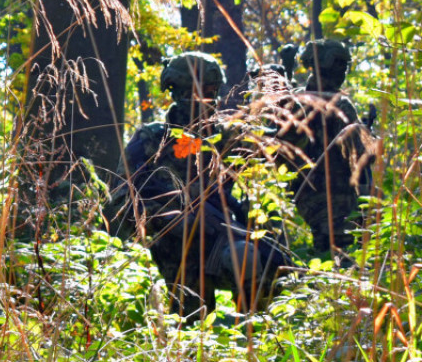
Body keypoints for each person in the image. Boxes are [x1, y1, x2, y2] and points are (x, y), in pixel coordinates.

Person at [109, 52, 290, 321]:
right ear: (180, 89)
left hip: (217, 235)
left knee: (265, 263)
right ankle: (187, 352)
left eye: (213, 91)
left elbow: (277, 151)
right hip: (174, 244)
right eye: (202, 91)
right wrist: (171, 220)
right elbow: (120, 196)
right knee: (191, 317)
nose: (210, 98)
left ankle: (257, 341)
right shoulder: (153, 137)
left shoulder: (224, 135)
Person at [278, 39, 375, 255]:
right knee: (344, 262)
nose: (342, 70)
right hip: (337, 200)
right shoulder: (340, 104)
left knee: (323, 256)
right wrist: (370, 136)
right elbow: (364, 155)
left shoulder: (294, 100)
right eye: (339, 65)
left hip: (304, 198)